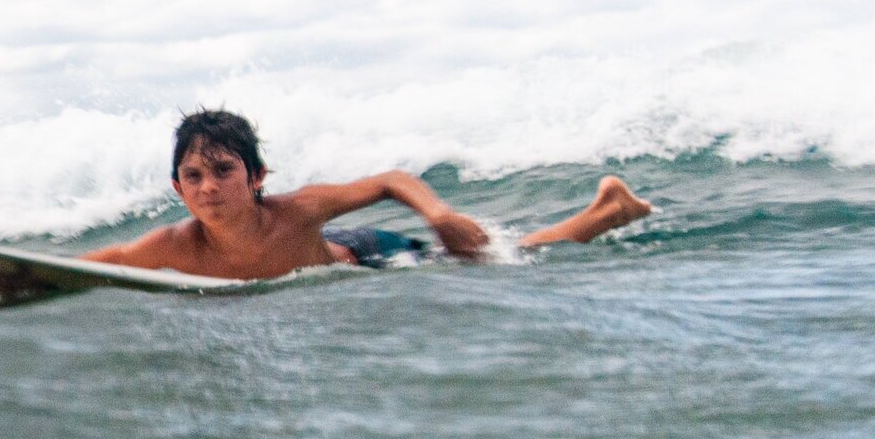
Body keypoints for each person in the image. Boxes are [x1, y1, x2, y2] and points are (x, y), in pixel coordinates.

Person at [79, 109, 652, 283]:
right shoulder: (174, 245)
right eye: (194, 177)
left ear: (257, 176)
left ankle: (608, 212)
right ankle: (609, 209)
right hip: (327, 262)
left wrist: (440, 214)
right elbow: (86, 265)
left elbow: (387, 181)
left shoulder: (298, 210)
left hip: (367, 252)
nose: (208, 188)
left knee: (498, 261)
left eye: (224, 171)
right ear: (177, 188)